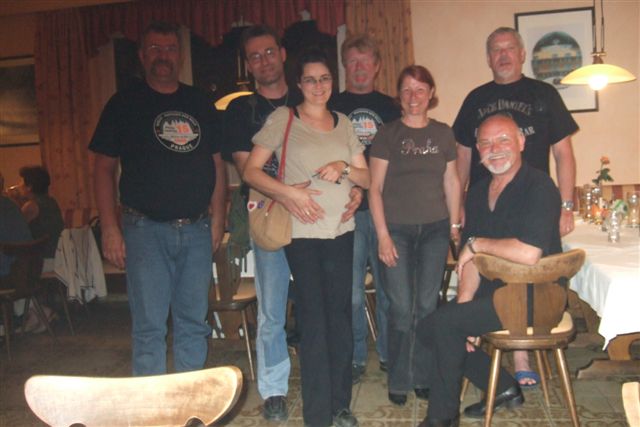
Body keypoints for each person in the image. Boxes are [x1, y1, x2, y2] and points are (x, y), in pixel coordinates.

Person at [90, 21, 227, 376]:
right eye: (154, 48)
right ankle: (151, 403)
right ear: (141, 55)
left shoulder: (199, 102)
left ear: (180, 56)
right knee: (149, 328)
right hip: (144, 231)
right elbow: (103, 169)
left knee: (193, 324)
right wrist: (110, 228)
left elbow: (217, 165)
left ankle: (188, 401)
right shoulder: (123, 104)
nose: (163, 55)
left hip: (197, 230)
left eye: (170, 48)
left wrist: (218, 219)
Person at [244, 48, 369, 427]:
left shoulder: (344, 123)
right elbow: (251, 171)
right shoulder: (284, 118)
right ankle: (317, 415)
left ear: (333, 82)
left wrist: (344, 168)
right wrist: (289, 194)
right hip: (303, 234)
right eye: (311, 79)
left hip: (342, 231)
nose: (318, 85)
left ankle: (340, 405)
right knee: (314, 321)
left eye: (325, 78)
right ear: (299, 84)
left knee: (341, 319)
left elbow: (366, 176)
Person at [418, 113, 563, 427]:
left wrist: (478, 245)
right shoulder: (478, 191)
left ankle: (441, 418)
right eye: (485, 143)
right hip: (495, 293)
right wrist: (464, 306)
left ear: (521, 142)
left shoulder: (539, 186)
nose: (494, 149)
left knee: (445, 325)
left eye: (503, 140)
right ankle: (504, 387)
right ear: (477, 150)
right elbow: (471, 259)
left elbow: (528, 253)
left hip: (536, 296)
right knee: (429, 327)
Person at [453, 27, 578, 384]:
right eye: (496, 49)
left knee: (524, 267)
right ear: (488, 57)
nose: (503, 55)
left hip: (531, 201)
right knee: (486, 270)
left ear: (522, 54)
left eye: (510, 48)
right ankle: (472, 336)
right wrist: (459, 204)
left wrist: (566, 205)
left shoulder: (544, 94)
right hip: (486, 202)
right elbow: (463, 157)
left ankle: (520, 355)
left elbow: (564, 154)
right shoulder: (475, 98)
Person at [369, 65, 461, 406]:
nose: (413, 97)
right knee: (400, 306)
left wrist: (454, 227)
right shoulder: (387, 134)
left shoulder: (443, 133)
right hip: (396, 231)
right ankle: (398, 378)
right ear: (399, 95)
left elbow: (452, 182)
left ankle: (422, 376)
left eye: (420, 89)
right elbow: (374, 188)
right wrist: (382, 235)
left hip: (435, 230)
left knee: (426, 305)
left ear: (430, 93)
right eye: (406, 89)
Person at [222, 25, 300, 422]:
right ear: (248, 65)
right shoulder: (241, 111)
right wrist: (292, 194)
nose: (264, 61)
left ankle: (322, 374)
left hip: (313, 216)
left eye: (269, 52)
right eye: (255, 56)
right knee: (271, 311)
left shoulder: (306, 98)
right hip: (270, 217)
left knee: (318, 304)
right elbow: (245, 169)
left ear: (282, 54)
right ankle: (273, 390)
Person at [329, 33, 401, 383]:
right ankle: (356, 357)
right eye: (352, 62)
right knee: (352, 294)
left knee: (388, 292)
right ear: (345, 66)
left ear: (377, 66)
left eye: (365, 61)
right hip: (346, 213)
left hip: (385, 213)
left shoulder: (391, 107)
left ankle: (388, 354)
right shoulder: (332, 107)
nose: (359, 68)